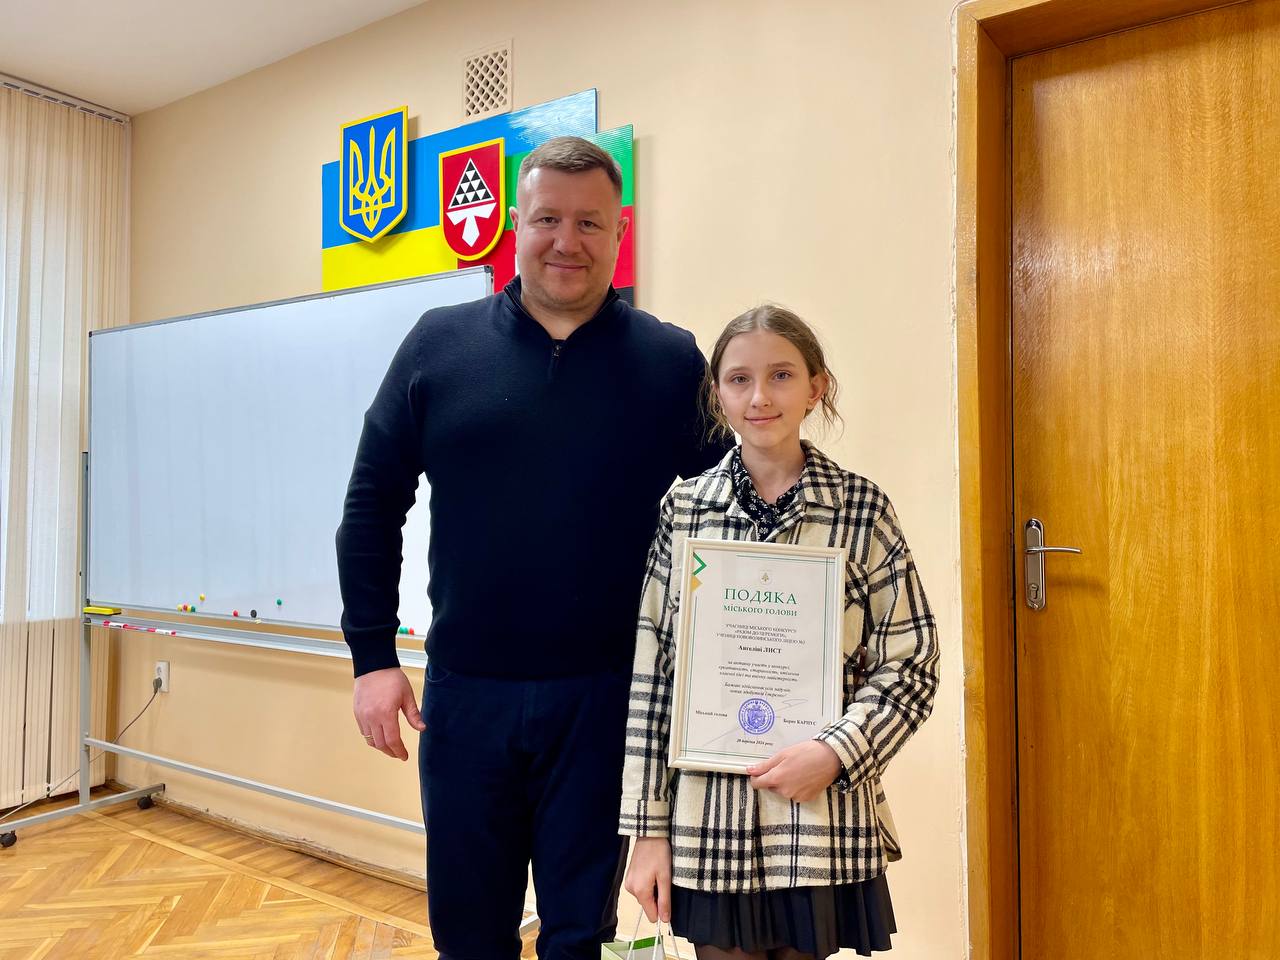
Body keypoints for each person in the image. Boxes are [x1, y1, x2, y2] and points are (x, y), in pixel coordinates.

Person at [335, 136, 729, 960]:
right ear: (517, 223)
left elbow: (731, 513)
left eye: (589, 222)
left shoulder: (668, 360)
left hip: (606, 702)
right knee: (469, 937)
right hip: (466, 696)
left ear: (620, 231)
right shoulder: (437, 345)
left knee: (580, 936)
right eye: (548, 218)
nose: (566, 241)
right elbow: (372, 503)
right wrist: (372, 656)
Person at [620, 305, 939, 959]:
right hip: (708, 823)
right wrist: (647, 829)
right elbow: (653, 673)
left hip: (818, 819)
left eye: (782, 375)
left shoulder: (862, 510)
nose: (760, 397)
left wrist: (836, 752)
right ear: (717, 394)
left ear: (816, 387)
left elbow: (912, 662)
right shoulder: (684, 511)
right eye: (739, 379)